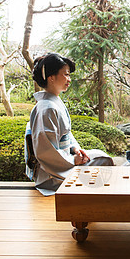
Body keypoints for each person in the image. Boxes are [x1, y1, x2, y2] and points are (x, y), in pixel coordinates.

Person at [25, 53, 113, 196]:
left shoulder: (53, 103)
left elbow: (66, 134)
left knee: (101, 157)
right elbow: (46, 152)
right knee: (103, 161)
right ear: (51, 77)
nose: (69, 79)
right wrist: (72, 160)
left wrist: (76, 150)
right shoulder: (46, 108)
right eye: (65, 75)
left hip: (64, 161)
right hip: (53, 173)